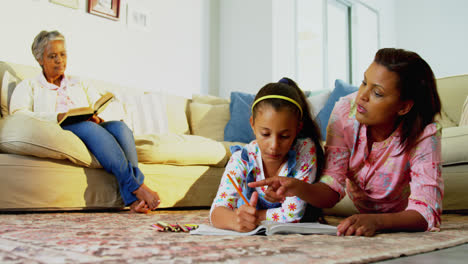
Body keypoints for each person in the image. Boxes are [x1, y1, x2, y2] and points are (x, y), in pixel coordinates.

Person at [249, 48, 443, 236]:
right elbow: (332, 187)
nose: (362, 96)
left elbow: (426, 213)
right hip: (355, 205)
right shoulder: (344, 112)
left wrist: (378, 222)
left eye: (377, 93)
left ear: (404, 107)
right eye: (364, 83)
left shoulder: (424, 134)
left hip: (402, 214)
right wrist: (296, 187)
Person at [9, 30, 160, 213]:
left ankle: (133, 199)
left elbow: (98, 103)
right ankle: (137, 187)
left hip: (89, 122)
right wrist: (55, 116)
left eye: (63, 54)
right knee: (90, 128)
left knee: (121, 128)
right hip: (65, 125)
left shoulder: (79, 83)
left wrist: (99, 116)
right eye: (52, 56)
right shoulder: (29, 86)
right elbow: (19, 113)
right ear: (40, 59)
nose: (59, 60)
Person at [209, 77, 325, 232]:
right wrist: (235, 220)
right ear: (252, 124)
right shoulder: (242, 158)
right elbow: (217, 211)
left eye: (284, 136)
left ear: (298, 129)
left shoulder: (305, 150)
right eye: (265, 134)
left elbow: (293, 214)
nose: (274, 146)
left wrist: (256, 216)